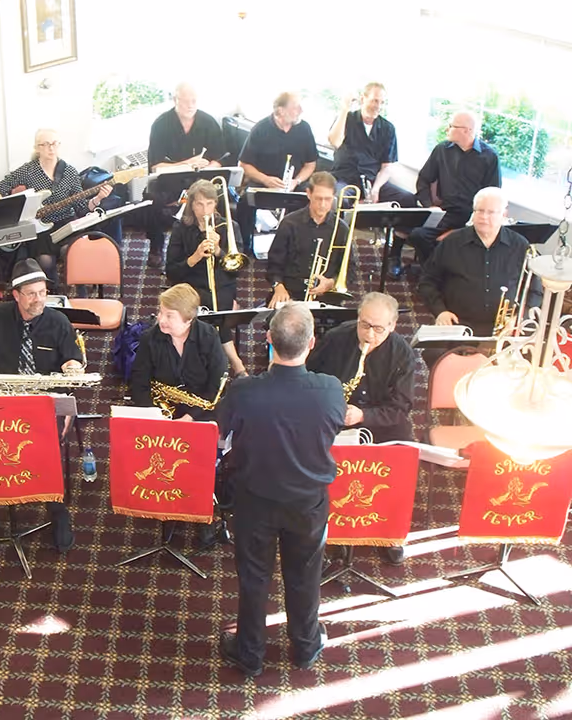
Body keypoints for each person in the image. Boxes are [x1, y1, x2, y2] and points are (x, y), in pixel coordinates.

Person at [217, 302, 345, 677]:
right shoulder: (330, 389)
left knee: (254, 578)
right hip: (308, 502)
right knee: (305, 575)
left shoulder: (244, 392)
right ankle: (305, 646)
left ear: (268, 340)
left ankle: (250, 653)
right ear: (312, 343)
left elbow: (223, 435)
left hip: (255, 500)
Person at [0, 258, 83, 552]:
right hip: (2, 397)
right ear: (15, 295)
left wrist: (71, 366)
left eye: (42, 292)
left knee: (45, 448)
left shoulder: (59, 322)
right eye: (31, 294)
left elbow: (72, 359)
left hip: (43, 401)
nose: (39, 299)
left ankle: (56, 509)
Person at [306, 292, 415, 564]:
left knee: (401, 460)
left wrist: (363, 415)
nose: (369, 334)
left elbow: (401, 407)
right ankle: (326, 530)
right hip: (335, 416)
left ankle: (390, 533)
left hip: (380, 422)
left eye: (378, 328)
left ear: (392, 326)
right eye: (364, 325)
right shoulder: (335, 339)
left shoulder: (402, 353)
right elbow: (310, 379)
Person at [130, 283, 229, 547]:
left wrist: (191, 417)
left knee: (199, 458)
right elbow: (138, 382)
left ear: (188, 319)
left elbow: (216, 388)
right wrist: (154, 414)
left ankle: (202, 512)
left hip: (202, 410)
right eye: (161, 313)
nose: (161, 319)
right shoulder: (151, 338)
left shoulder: (208, 337)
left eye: (169, 316)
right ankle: (166, 502)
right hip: (163, 409)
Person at [418, 187, 540, 361]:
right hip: (459, 323)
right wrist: (440, 311)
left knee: (523, 367)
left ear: (504, 214)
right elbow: (427, 281)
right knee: (440, 360)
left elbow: (535, 290)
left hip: (506, 328)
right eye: (479, 211)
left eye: (491, 212)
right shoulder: (452, 242)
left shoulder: (520, 246)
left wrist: (520, 317)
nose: (483, 217)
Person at [0, 128, 110, 290]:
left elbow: (81, 206)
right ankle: (52, 294)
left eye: (54, 144)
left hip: (66, 223)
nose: (51, 148)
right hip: (40, 226)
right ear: (37, 148)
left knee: (73, 252)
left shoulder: (69, 171)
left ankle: (81, 294)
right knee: (45, 260)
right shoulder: (28, 170)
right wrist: (5, 211)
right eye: (45, 144)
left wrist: (98, 198)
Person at [396, 111, 501, 275]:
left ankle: (438, 275)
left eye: (451, 126)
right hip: (446, 212)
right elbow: (424, 180)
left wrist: (476, 220)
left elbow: (493, 194)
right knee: (416, 234)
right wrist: (430, 206)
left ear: (467, 130)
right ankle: (435, 274)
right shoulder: (442, 150)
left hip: (472, 216)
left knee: (462, 243)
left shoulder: (489, 157)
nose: (447, 129)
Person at [166, 180, 248, 376]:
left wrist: (219, 251)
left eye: (209, 203)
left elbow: (236, 270)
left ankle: (216, 363)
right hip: (190, 285)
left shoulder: (229, 226)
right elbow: (171, 272)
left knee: (216, 307)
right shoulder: (181, 228)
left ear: (216, 204)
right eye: (199, 204)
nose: (205, 210)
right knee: (211, 308)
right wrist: (194, 258)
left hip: (222, 285)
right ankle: (235, 363)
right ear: (191, 205)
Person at [145, 83, 226, 268]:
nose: (190, 105)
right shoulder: (160, 125)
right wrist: (188, 164)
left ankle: (221, 245)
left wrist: (208, 168)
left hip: (202, 180)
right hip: (171, 182)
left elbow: (220, 157)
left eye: (194, 101)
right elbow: (156, 165)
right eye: (185, 101)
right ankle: (156, 248)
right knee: (153, 200)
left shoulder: (209, 122)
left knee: (222, 196)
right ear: (175, 101)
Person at [237, 92, 318, 250]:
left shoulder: (304, 128)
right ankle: (245, 247)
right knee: (245, 201)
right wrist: (266, 180)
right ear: (280, 111)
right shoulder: (260, 128)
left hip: (294, 184)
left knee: (310, 198)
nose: (301, 110)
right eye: (296, 107)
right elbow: (244, 164)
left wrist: (296, 181)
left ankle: (298, 247)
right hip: (263, 183)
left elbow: (310, 164)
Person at [266, 172, 350, 308]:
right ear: (308, 194)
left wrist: (331, 283)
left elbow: (350, 269)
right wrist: (279, 286)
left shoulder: (341, 228)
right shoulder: (289, 223)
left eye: (328, 199)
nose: (323, 204)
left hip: (326, 295)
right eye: (318, 198)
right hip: (290, 291)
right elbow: (274, 264)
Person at [328, 82, 415, 207]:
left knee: (408, 199)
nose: (378, 106)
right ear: (363, 99)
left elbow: (387, 166)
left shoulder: (388, 128)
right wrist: (344, 109)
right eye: (374, 101)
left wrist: (376, 189)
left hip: (372, 181)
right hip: (345, 178)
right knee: (341, 199)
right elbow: (335, 141)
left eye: (382, 102)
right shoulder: (347, 119)